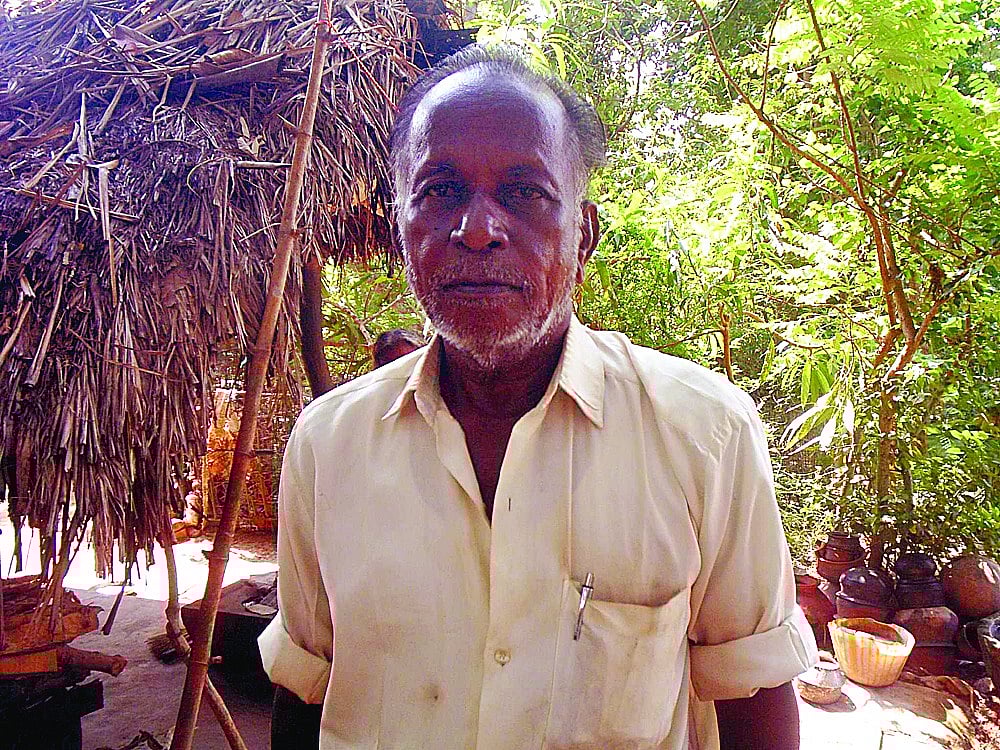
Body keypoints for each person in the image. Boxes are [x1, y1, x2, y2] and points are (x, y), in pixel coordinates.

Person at [259, 45, 817, 750]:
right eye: (440, 190)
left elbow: (753, 695)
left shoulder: (706, 434)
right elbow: (305, 684)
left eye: (525, 193)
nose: (477, 229)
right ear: (401, 230)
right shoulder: (327, 443)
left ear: (583, 237)